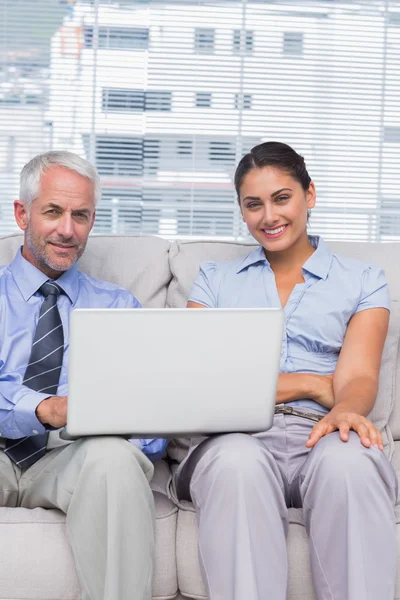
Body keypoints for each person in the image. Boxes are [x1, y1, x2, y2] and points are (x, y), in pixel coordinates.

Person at [173, 142, 398, 600]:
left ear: (309, 195)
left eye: (282, 198)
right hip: (237, 435)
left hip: (326, 430)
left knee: (351, 464)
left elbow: (356, 380)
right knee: (237, 464)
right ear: (241, 210)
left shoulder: (363, 280)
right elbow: (202, 384)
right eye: (253, 204)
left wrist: (345, 408)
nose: (268, 216)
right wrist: (312, 384)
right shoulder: (214, 281)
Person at [0, 151, 166, 600]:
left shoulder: (118, 307)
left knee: (113, 458)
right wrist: (43, 407)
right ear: (22, 213)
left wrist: (119, 425)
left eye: (81, 215)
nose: (68, 230)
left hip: (70, 456)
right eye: (53, 211)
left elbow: (153, 425)